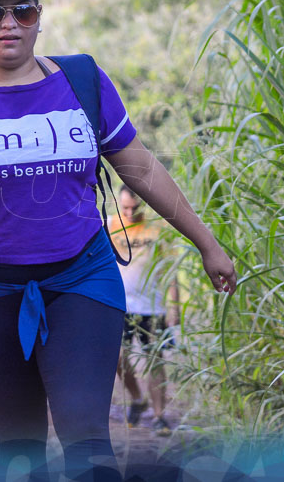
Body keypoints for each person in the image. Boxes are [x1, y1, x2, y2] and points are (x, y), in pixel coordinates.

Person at [0, 0, 236, 482]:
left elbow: (141, 168)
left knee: (86, 434)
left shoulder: (82, 79)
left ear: (39, 14)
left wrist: (206, 242)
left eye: (23, 9)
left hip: (80, 276)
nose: (10, 23)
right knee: (20, 441)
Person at [110, 185, 179, 437]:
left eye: (135, 208)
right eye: (125, 207)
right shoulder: (109, 226)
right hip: (120, 306)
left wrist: (175, 306)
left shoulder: (157, 229)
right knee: (117, 359)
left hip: (152, 306)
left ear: (143, 205)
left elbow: (171, 270)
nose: (129, 212)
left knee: (155, 360)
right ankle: (138, 398)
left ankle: (159, 416)